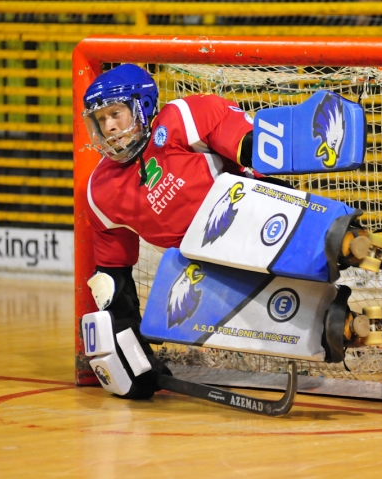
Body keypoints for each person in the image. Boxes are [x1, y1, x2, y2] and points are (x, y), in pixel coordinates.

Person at [81, 63, 284, 399]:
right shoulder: (100, 192)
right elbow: (113, 278)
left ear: (141, 107)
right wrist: (125, 346)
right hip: (204, 267)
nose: (109, 126)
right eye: (101, 120)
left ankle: (342, 243)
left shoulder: (182, 116)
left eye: (116, 113)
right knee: (149, 304)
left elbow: (252, 145)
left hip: (256, 220)